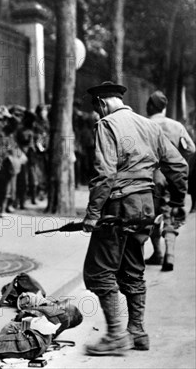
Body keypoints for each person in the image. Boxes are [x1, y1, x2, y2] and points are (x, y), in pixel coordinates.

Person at [82, 81, 188, 356]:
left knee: (98, 272)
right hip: (146, 207)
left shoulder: (107, 125)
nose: (97, 115)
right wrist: (177, 201)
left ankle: (116, 335)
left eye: (96, 109)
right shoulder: (149, 126)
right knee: (133, 268)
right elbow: (178, 165)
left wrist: (92, 214)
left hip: (118, 207)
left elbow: (104, 174)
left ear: (102, 103)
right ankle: (137, 331)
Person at [145, 90, 195, 271]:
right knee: (171, 215)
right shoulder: (176, 126)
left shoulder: (143, 124)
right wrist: (178, 160)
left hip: (151, 177)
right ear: (164, 108)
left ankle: (157, 252)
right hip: (173, 177)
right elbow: (191, 148)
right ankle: (170, 255)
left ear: (150, 106)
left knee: (151, 215)